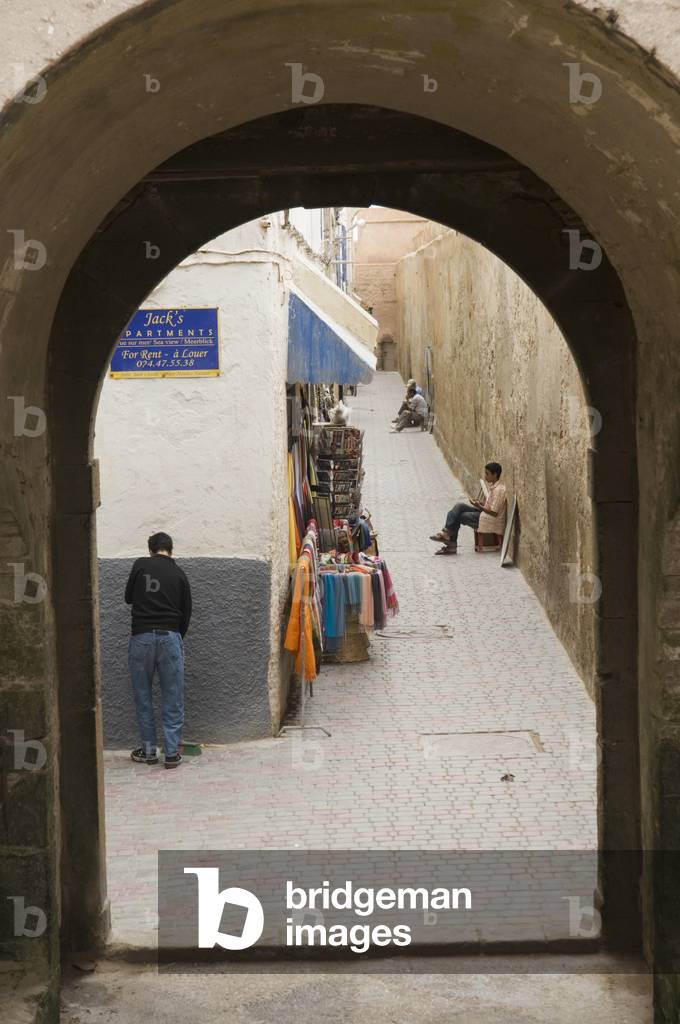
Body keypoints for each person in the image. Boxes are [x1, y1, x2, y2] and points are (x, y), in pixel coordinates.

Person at [124, 531, 192, 768]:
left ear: (150, 549)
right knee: (172, 696)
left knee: (143, 696)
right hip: (170, 637)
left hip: (141, 636)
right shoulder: (180, 574)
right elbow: (187, 612)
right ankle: (172, 753)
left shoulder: (141, 565)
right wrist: (174, 637)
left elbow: (128, 598)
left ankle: (149, 751)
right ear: (171, 550)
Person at [429, 462, 507, 554]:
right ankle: (446, 533)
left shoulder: (498, 490)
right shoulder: (494, 487)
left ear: (495, 475)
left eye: (487, 474)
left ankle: (451, 545)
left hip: (488, 518)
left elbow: (494, 513)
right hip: (483, 512)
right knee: (459, 506)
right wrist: (480, 503)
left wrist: (479, 506)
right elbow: (490, 504)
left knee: (460, 516)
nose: (485, 476)